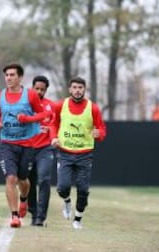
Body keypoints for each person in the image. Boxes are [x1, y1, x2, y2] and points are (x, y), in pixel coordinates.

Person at [0, 63, 50, 228]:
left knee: (23, 180)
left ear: (20, 77)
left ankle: (23, 200)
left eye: (12, 75)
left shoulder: (30, 95)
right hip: (6, 144)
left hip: (27, 144)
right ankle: (15, 215)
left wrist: (27, 119)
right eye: (6, 75)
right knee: (11, 178)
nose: (8, 78)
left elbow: (43, 114)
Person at [51, 76, 106, 229]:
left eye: (80, 88)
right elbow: (53, 123)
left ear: (84, 89)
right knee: (63, 187)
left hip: (84, 155)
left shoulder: (93, 108)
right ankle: (67, 201)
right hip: (65, 153)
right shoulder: (60, 105)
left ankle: (77, 220)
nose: (77, 90)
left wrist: (99, 134)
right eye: (74, 87)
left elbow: (101, 129)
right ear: (70, 89)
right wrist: (54, 137)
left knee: (83, 189)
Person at [27, 75, 56, 227]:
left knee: (44, 180)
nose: (39, 91)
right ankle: (32, 211)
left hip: (45, 149)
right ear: (32, 88)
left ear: (46, 90)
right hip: (27, 148)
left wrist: (54, 138)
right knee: (28, 182)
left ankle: (40, 217)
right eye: (36, 88)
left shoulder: (51, 106)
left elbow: (54, 126)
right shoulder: (24, 105)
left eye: (42, 89)